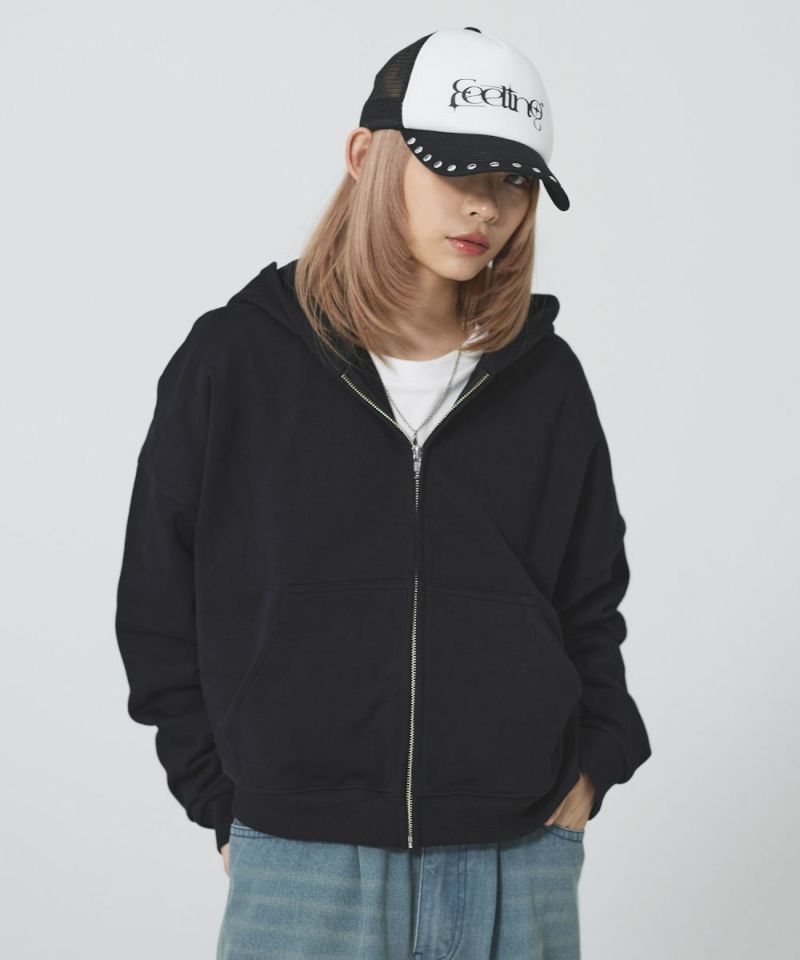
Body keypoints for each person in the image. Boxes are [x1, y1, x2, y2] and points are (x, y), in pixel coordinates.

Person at [115, 25, 652, 959]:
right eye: (455, 168)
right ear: (367, 156)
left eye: (514, 180)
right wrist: (225, 802)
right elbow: (158, 604)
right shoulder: (236, 362)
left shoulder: (546, 382)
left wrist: (594, 767)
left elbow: (588, 600)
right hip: (301, 864)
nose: (485, 205)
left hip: (516, 855)